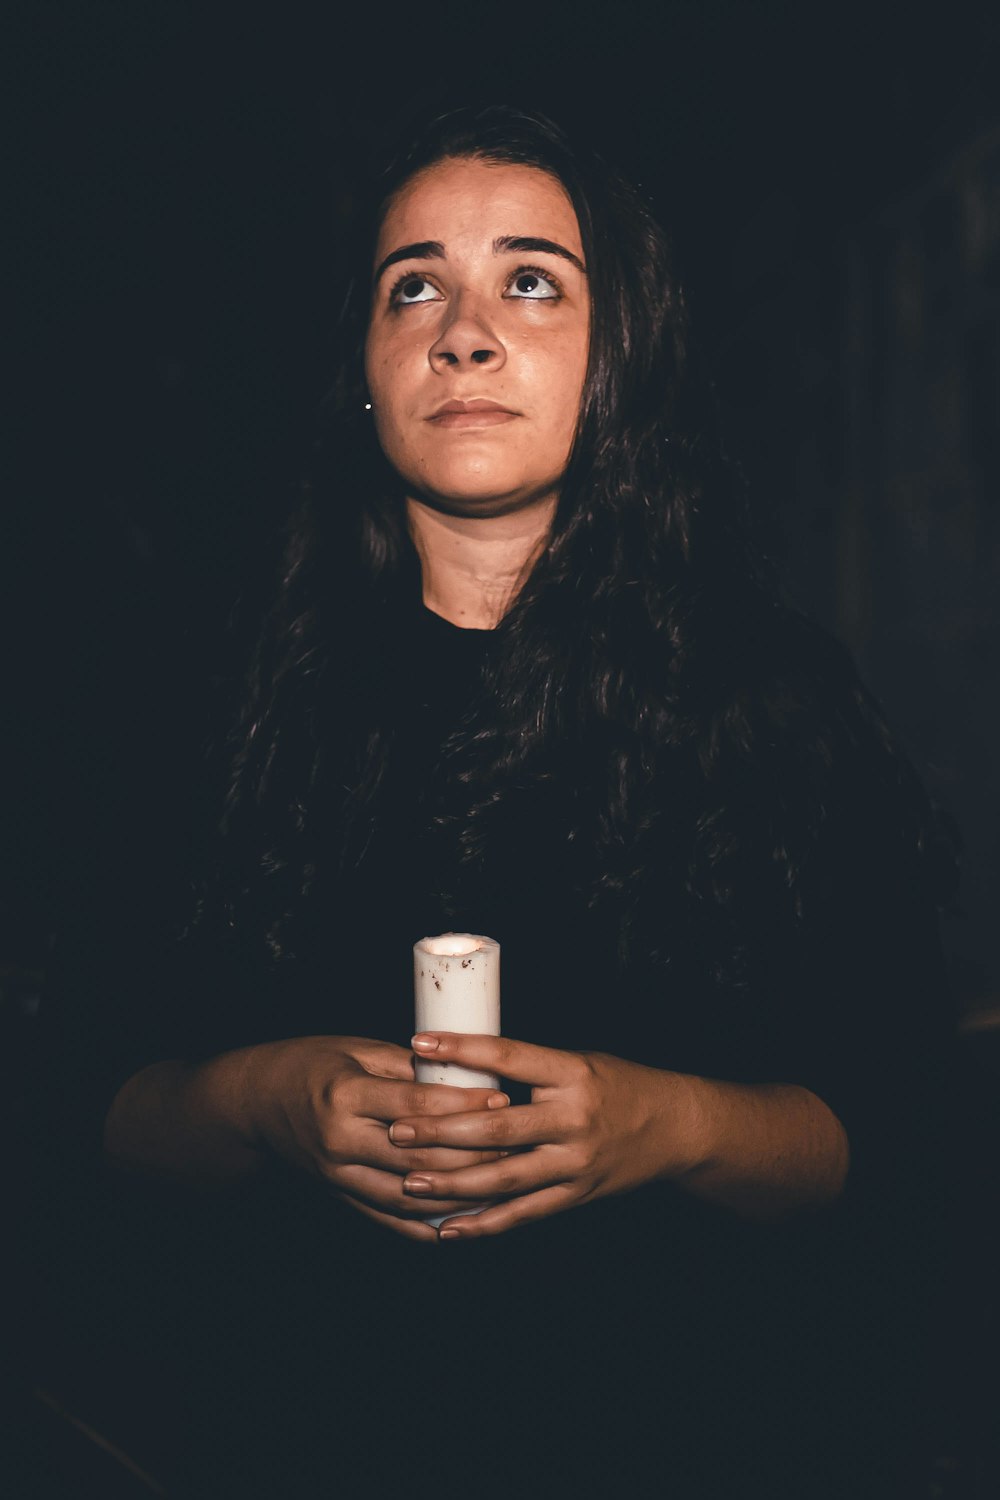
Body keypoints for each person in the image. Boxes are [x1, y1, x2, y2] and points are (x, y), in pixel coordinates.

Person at [90, 105, 953, 1497]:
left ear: (622, 354)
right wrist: (260, 1098)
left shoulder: (770, 703)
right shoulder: (224, 698)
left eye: (533, 280)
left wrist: (660, 1122)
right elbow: (94, 1109)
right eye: (414, 284)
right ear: (367, 369)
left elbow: (897, 1144)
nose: (464, 330)